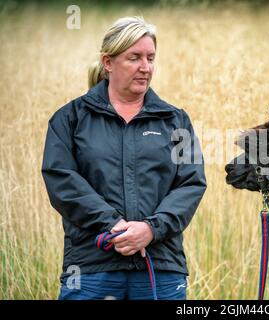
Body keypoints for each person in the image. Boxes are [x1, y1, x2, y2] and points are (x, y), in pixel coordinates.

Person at [41, 16, 207, 300]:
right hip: (91, 269)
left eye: (151, 58)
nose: (145, 67)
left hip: (161, 268)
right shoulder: (70, 118)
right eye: (134, 58)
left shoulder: (175, 120)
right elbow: (61, 179)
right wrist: (112, 225)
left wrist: (151, 229)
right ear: (108, 62)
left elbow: (190, 183)